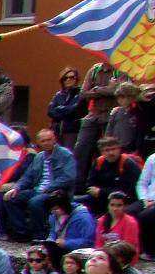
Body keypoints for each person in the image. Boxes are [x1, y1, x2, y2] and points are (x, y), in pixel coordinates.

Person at [2, 130, 76, 241]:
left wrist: (49, 187)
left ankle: (39, 235)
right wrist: (16, 188)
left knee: (35, 202)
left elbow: (69, 177)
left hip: (57, 192)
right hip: (37, 189)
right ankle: (22, 233)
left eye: (49, 140)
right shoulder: (39, 157)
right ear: (39, 142)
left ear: (54, 139)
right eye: (43, 141)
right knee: (10, 199)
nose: (46, 143)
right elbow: (28, 176)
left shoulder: (66, 155)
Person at [74, 61, 131, 192]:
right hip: (93, 115)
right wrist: (106, 90)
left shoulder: (120, 70)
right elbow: (83, 93)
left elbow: (119, 91)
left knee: (108, 150)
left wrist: (96, 89)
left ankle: (106, 188)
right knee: (82, 148)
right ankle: (79, 188)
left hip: (111, 116)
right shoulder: (94, 70)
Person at [85, 136, 143, 217]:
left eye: (114, 149)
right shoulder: (98, 162)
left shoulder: (127, 164)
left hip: (125, 201)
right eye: (107, 150)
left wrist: (101, 192)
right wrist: (98, 192)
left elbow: (129, 191)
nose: (111, 153)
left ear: (119, 149)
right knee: (76, 203)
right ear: (101, 152)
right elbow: (90, 185)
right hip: (102, 198)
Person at [44, 191, 96, 260]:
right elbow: (53, 233)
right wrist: (49, 242)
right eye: (51, 210)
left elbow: (89, 241)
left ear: (65, 206)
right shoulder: (54, 215)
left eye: (56, 209)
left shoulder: (84, 218)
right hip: (59, 251)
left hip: (78, 254)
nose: (53, 212)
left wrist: (66, 243)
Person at [47, 67, 84, 149]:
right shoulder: (59, 95)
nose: (68, 80)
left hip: (72, 131)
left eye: (71, 77)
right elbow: (50, 111)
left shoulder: (81, 94)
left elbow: (74, 110)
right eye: (65, 78)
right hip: (56, 131)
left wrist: (59, 109)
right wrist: (65, 111)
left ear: (76, 79)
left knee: (69, 155)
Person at [108, 81, 142, 152]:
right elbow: (109, 129)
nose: (120, 100)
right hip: (115, 147)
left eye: (123, 97)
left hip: (130, 148)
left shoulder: (138, 112)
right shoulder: (116, 112)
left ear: (132, 97)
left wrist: (137, 149)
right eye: (118, 97)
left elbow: (139, 132)